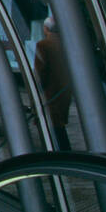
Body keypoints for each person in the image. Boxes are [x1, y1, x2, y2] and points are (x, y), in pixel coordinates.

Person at [35, 16, 74, 151]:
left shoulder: (43, 45)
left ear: (46, 29)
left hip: (49, 92)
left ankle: (58, 152)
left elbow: (40, 71)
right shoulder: (67, 44)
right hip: (64, 90)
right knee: (58, 124)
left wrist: (37, 88)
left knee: (51, 124)